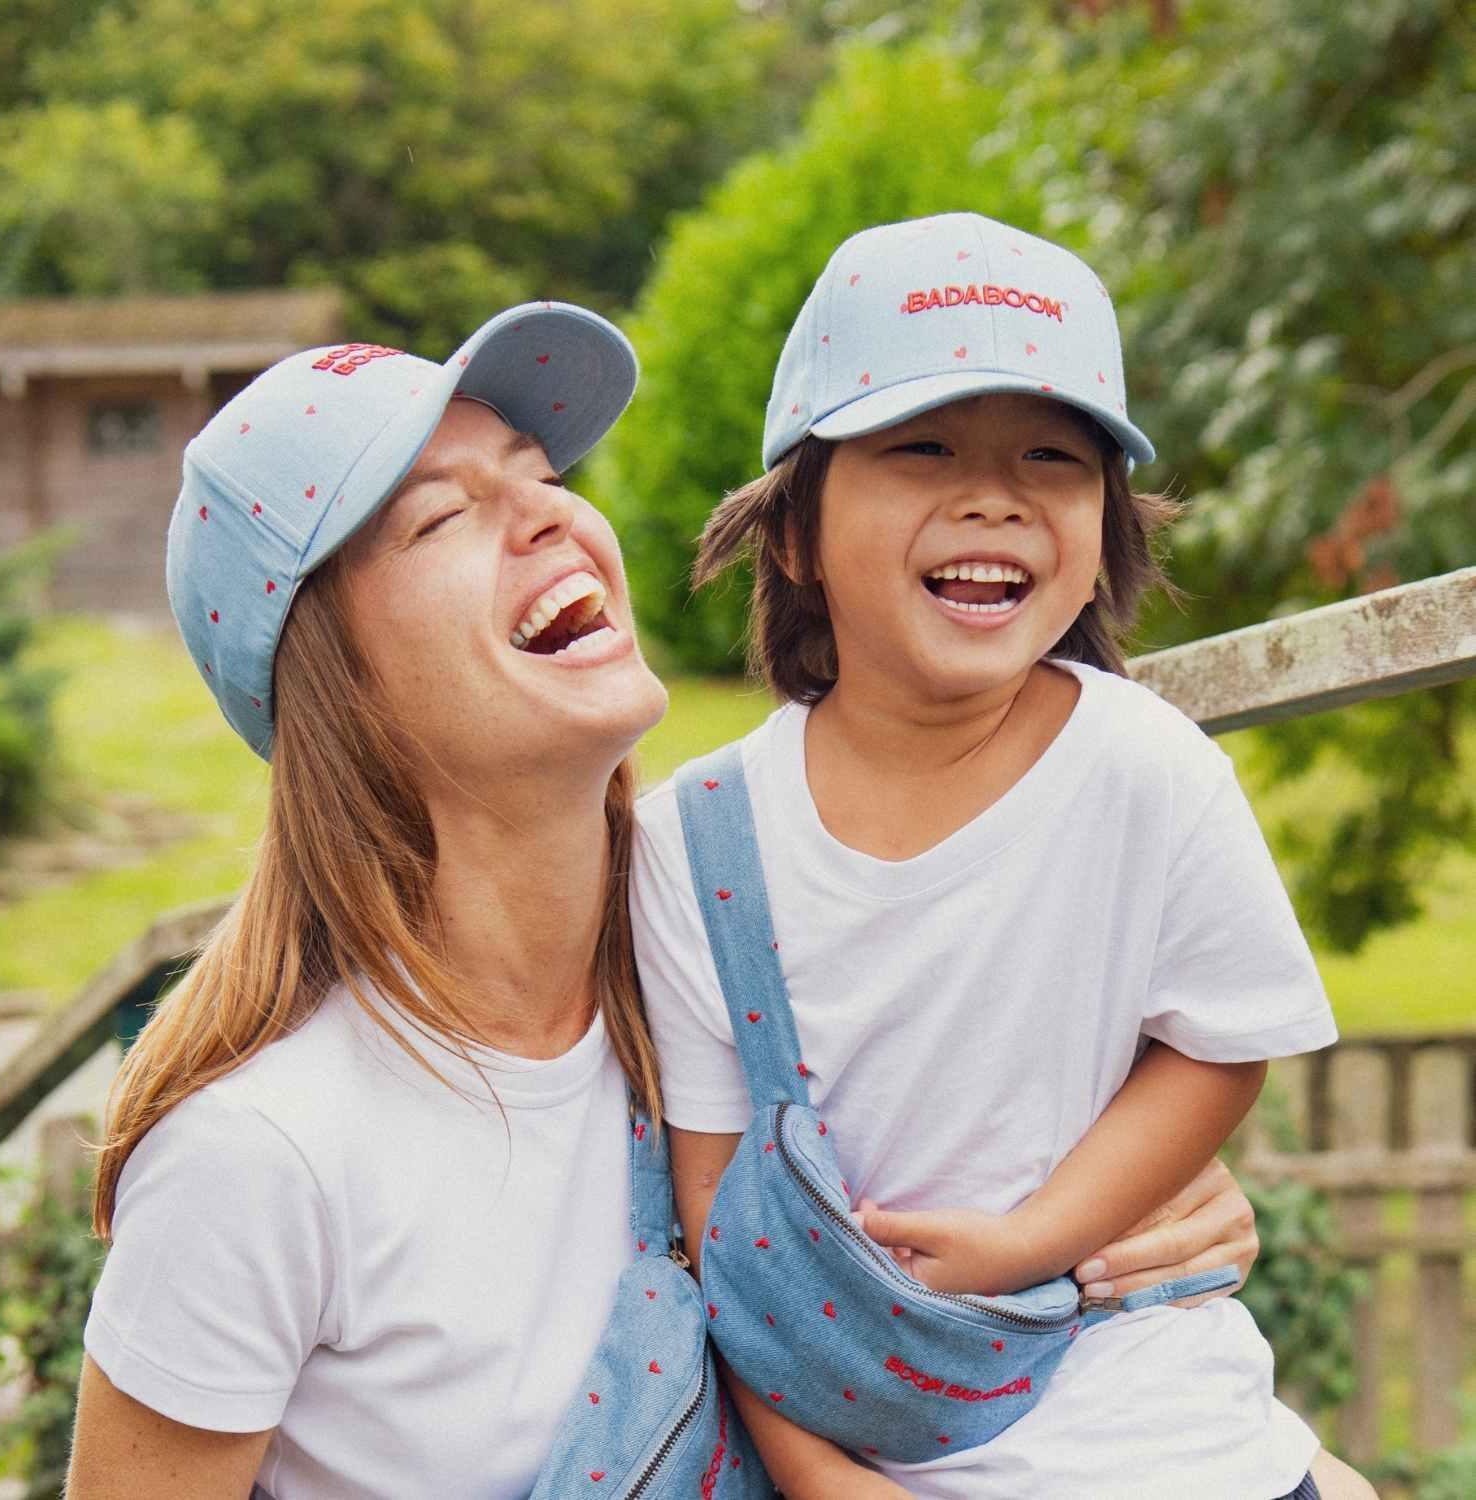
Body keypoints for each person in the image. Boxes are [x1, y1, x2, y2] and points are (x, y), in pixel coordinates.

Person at [67, 299, 1274, 1500]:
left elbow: (1013, 1197)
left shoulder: (748, 945)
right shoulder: (258, 1159)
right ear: (331, 679)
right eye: (442, 516)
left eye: (541, 475)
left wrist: (1128, 1232)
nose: (552, 516)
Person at [631, 215, 1377, 1499]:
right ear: (795, 532)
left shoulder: (1148, 770)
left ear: (1105, 526)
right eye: (921, 449)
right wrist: (816, 1476)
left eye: (1055, 456)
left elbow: (1219, 1041)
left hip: (1173, 1437)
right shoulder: (698, 842)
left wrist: (1040, 1234)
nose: (996, 496)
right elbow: (724, 1231)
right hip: (881, 1447)